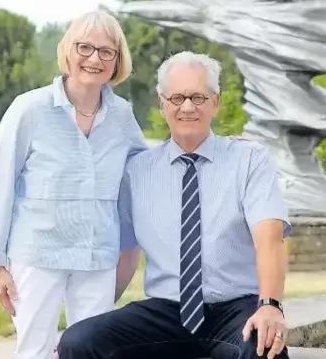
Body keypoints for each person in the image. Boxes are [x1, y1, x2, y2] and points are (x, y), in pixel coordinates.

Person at [57, 51, 292, 359]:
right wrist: (95, 314)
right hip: (166, 311)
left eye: (198, 97)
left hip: (236, 308)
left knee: (262, 349)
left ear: (215, 102)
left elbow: (270, 238)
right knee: (79, 341)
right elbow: (126, 252)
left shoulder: (249, 159)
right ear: (162, 104)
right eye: (177, 97)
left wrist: (270, 306)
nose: (187, 107)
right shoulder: (136, 171)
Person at [0, 10, 146, 359]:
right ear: (68, 51)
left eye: (106, 51)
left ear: (117, 61)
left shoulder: (122, 116)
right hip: (37, 253)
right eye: (85, 47)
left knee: (93, 350)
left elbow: (148, 169)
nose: (94, 58)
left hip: (97, 256)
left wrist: (214, 146)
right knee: (34, 351)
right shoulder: (30, 110)